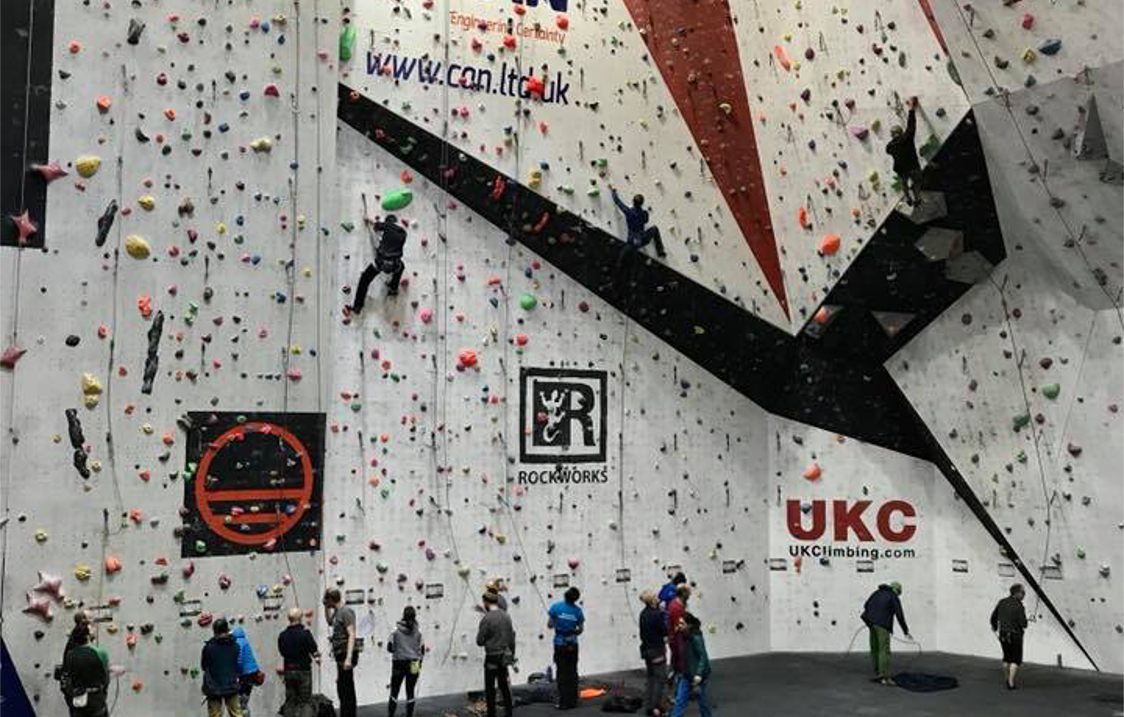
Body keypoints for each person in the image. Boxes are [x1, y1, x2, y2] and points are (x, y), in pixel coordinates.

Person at [609, 186, 667, 286]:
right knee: (654, 229)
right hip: (642, 239)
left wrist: (613, 191)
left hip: (631, 242)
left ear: (633, 202)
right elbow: (646, 221)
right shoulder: (644, 213)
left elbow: (618, 202)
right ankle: (660, 251)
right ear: (642, 203)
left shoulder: (628, 212)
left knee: (626, 259)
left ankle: (619, 279)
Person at [349, 214, 408, 312]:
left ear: (388, 221)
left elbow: (376, 226)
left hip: (381, 262)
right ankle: (393, 289)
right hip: (395, 264)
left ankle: (357, 306)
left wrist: (368, 220)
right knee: (401, 267)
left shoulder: (388, 225)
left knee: (365, 279)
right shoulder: (403, 233)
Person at [861, 582, 911, 686]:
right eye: (899, 593)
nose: (898, 595)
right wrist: (905, 631)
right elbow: (899, 615)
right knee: (884, 650)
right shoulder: (893, 596)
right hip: (882, 626)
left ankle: (878, 673)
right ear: (897, 591)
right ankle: (884, 677)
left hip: (871, 623)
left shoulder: (877, 592)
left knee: (875, 649)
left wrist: (872, 616)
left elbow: (866, 605)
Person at [476, 589, 516, 717]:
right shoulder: (506, 616)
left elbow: (480, 641)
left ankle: (492, 714)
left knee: (490, 687)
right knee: (504, 685)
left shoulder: (486, 619)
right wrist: (512, 656)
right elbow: (511, 638)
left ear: (486, 602)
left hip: (492, 656)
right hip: (504, 656)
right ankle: (509, 713)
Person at [547, 587, 585, 710]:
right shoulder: (578, 611)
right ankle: (573, 701)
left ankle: (563, 702)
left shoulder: (555, 607)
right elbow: (580, 630)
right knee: (572, 672)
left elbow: (549, 625)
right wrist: (573, 630)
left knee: (561, 672)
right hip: (573, 644)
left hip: (560, 644)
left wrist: (557, 623)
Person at [278, 608, 320, 717]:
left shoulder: (282, 635)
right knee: (305, 701)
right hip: (303, 670)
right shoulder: (305, 633)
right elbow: (314, 650)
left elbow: (282, 652)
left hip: (289, 670)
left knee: (290, 701)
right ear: (300, 618)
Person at [62, 622, 109, 717]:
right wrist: (103, 692)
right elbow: (105, 678)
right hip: (96, 700)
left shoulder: (70, 655)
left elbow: (68, 678)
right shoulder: (99, 652)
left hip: (78, 701)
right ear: (87, 636)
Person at [324, 588, 358, 717]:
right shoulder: (337, 612)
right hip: (340, 653)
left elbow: (352, 634)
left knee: (346, 687)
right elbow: (329, 622)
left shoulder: (346, 612)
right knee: (342, 686)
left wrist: (348, 658)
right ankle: (346, 713)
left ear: (331, 599)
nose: (325, 602)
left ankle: (349, 714)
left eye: (326, 600)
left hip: (346, 652)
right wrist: (326, 607)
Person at [670, 613, 711, 717]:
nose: (679, 625)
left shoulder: (696, 636)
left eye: (682, 623)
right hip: (686, 674)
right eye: (679, 623)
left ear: (689, 625)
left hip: (697, 676)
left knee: (702, 703)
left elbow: (703, 656)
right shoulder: (682, 635)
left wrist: (699, 674)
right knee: (680, 701)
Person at [387, 606, 425, 717]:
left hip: (399, 662)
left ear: (403, 615)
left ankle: (391, 715)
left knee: (394, 691)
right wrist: (419, 663)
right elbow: (422, 650)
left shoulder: (395, 630)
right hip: (415, 663)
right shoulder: (419, 631)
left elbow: (390, 648)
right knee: (410, 691)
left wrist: (400, 648)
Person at [201, 619, 244, 717]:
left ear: (215, 631)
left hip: (213, 687)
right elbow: (237, 665)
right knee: (237, 714)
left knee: (215, 715)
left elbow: (204, 666)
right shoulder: (236, 646)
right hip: (231, 685)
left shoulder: (208, 647)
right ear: (227, 629)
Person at [991, 584, 1029, 690]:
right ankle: (1011, 683)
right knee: (1015, 660)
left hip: (1003, 634)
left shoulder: (1002, 602)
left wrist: (994, 627)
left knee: (1006, 658)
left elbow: (994, 617)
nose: (1024, 595)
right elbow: (1023, 624)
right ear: (1017, 593)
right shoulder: (1019, 605)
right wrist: (1026, 621)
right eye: (1023, 592)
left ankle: (1007, 679)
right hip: (1015, 635)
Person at [886, 97, 923, 206]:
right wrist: (911, 108)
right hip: (913, 166)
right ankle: (917, 198)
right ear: (901, 132)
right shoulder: (907, 137)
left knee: (904, 183)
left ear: (892, 135)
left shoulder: (890, 146)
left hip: (901, 170)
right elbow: (911, 124)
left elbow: (888, 151)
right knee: (917, 182)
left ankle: (908, 198)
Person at [638, 590, 668, 717]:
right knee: (660, 680)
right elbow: (664, 630)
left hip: (647, 650)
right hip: (657, 650)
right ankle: (657, 707)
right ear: (652, 600)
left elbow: (642, 634)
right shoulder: (657, 614)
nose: (658, 598)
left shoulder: (643, 614)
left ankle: (650, 707)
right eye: (655, 596)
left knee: (651, 679)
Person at [231, 625, 262, 717]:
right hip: (252, 674)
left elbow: (239, 660)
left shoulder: (238, 642)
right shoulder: (245, 641)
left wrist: (236, 673)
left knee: (240, 702)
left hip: (245, 675)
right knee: (244, 701)